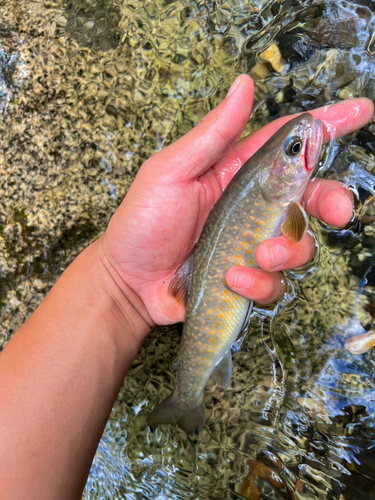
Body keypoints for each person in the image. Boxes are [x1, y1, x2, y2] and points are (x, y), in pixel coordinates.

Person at [0, 74, 373, 499]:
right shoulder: (283, 206)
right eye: (293, 150)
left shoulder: (282, 200)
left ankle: (188, 395)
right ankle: (187, 397)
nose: (303, 143)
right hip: (208, 299)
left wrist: (119, 287)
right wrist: (120, 284)